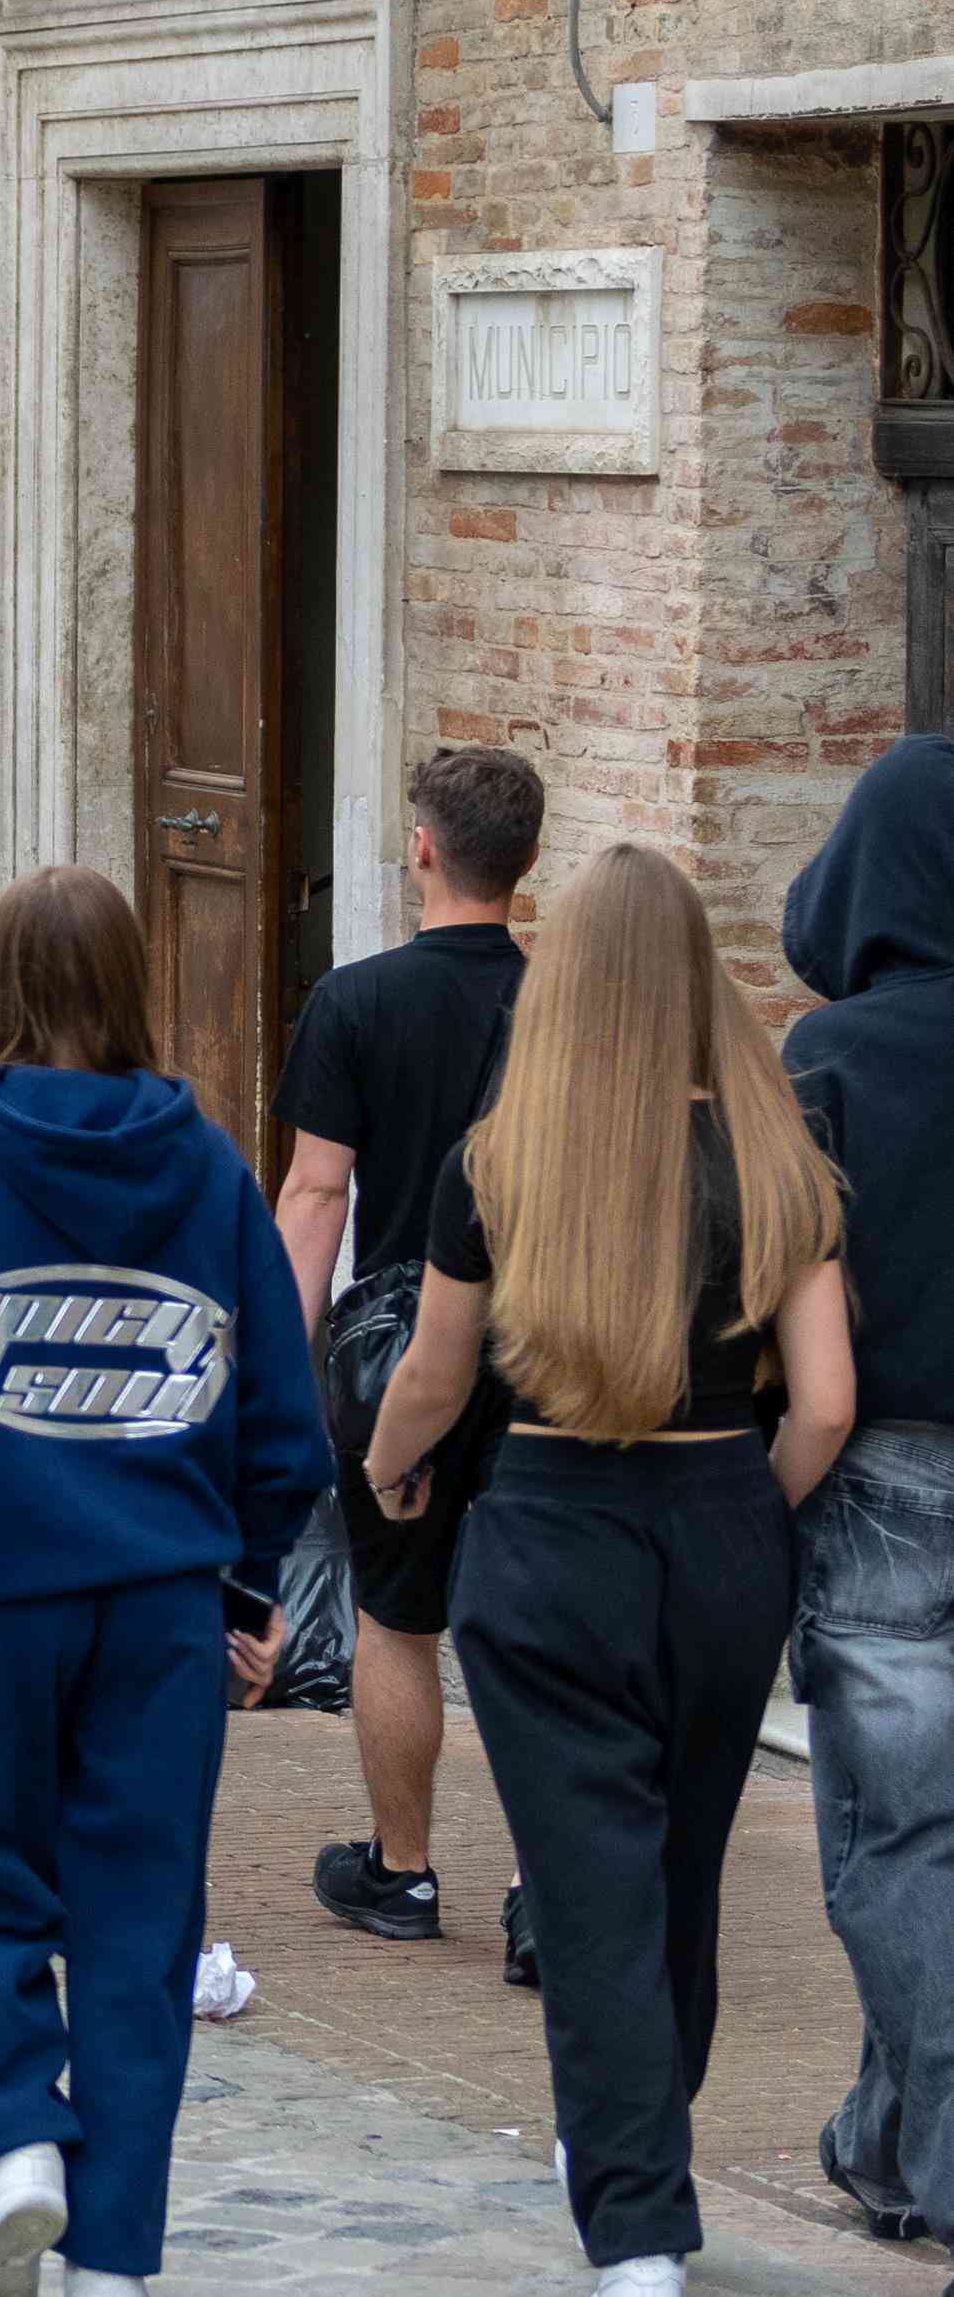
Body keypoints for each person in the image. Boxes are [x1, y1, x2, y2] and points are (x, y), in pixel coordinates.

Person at [0, 865, 335, 2297]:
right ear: (131, 985)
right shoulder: (211, 1169)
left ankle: (12, 2140)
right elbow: (281, 1420)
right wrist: (246, 1589)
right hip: (161, 1601)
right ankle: (112, 2251)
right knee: (138, 1921)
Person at [368, 842, 856, 2297]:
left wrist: (384, 1465)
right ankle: (636, 2140)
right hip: (718, 1519)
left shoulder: (500, 1160)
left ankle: (635, 2218)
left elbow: (433, 1371)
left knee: (588, 1885)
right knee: (676, 1865)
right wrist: (745, 1507)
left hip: (551, 1518)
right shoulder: (777, 1160)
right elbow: (823, 1402)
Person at [272, 747, 545, 1967]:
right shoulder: (559, 1008)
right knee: (541, 1627)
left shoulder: (354, 1000)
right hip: (546, 1349)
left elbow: (314, 1191)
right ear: (524, 860)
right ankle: (546, 1895)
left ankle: (401, 1868)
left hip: (400, 1355)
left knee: (394, 1614)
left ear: (421, 847)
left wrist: (284, 1357)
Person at [782, 734, 954, 2252]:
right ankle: (884, 2140)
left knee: (895, 1836)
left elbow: (800, 1342)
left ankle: (935, 2153)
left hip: (881, 1466)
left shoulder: (824, 1059)